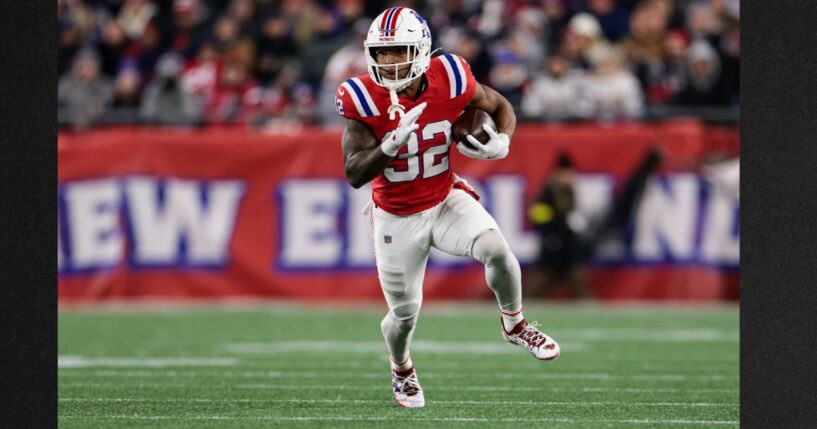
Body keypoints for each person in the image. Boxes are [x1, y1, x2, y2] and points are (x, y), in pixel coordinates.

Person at [334, 7, 560, 409]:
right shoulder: (361, 96)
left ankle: (515, 324)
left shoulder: (451, 75)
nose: (388, 62)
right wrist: (388, 146)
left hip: (443, 197)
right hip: (396, 214)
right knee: (404, 316)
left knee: (497, 249)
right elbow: (354, 173)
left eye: (398, 51)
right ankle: (401, 367)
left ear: (420, 50)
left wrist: (503, 142)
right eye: (381, 53)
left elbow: (498, 104)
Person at [527, 153, 591, 299]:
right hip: (553, 244)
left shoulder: (571, 192)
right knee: (540, 282)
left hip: (568, 246)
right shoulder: (547, 193)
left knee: (578, 281)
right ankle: (518, 309)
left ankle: (590, 310)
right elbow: (538, 217)